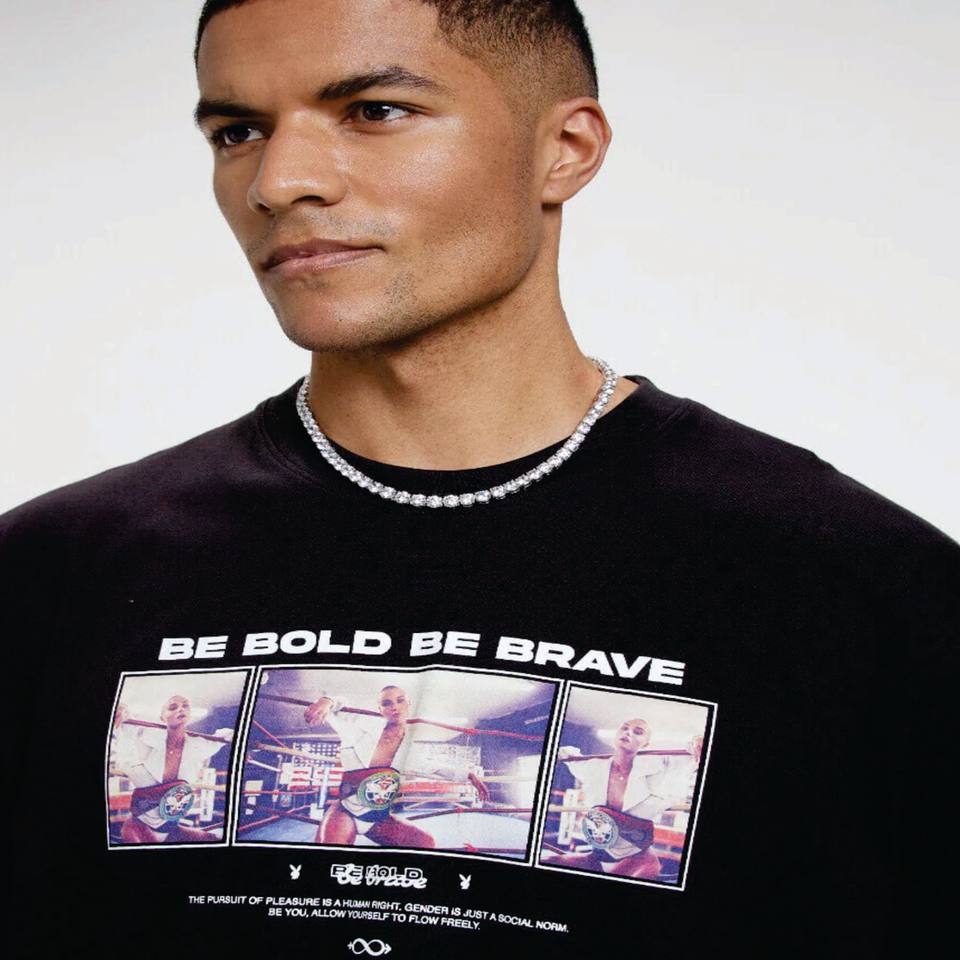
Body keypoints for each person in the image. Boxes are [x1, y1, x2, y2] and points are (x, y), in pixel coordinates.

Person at [3, 0, 956, 955]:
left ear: (565, 151)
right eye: (237, 131)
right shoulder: (50, 569)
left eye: (374, 111)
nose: (278, 181)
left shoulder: (861, 585)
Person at [303, 683, 489, 848]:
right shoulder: (359, 729)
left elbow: (435, 767)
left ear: (409, 704)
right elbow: (339, 707)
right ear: (380, 709)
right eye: (387, 703)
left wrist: (469, 775)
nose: (395, 707)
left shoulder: (409, 750)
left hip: (377, 818)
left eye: (400, 701)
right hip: (346, 812)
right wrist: (327, 700)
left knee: (425, 843)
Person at [545, 720, 700, 879]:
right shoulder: (594, 767)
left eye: (638, 732)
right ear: (616, 735)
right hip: (597, 855)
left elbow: (689, 757)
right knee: (549, 861)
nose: (628, 732)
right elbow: (570, 757)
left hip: (637, 859)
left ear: (646, 744)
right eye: (624, 728)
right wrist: (559, 752)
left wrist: (697, 740)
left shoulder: (658, 771)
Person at [110, 694, 233, 843]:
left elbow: (222, 738)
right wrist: (123, 712)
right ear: (162, 717)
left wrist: (233, 736)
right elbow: (129, 728)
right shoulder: (148, 738)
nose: (180, 709)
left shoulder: (198, 745)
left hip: (171, 829)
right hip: (140, 828)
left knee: (214, 838)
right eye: (173, 707)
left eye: (185, 706)